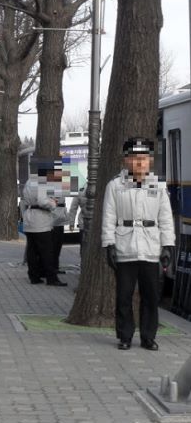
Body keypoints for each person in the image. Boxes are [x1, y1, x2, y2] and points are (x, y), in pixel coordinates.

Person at [101, 137, 175, 351]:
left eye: (144, 158)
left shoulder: (158, 186)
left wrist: (168, 246)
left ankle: (148, 336)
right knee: (124, 296)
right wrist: (109, 245)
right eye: (135, 158)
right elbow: (108, 216)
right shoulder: (115, 186)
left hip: (151, 249)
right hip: (125, 248)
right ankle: (125, 336)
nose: (139, 163)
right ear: (126, 160)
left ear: (150, 161)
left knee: (151, 296)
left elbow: (165, 218)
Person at [22, 175, 67, 287]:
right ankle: (51, 278)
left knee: (32, 250)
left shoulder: (29, 181)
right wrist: (53, 203)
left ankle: (34, 276)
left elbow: (24, 199)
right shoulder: (41, 182)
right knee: (47, 251)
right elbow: (43, 201)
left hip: (29, 218)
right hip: (40, 220)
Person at [51, 197, 69, 274]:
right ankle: (52, 268)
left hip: (61, 219)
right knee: (54, 246)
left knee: (58, 245)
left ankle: (55, 267)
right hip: (54, 220)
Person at [68, 184, 87, 255]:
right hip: (96, 224)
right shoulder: (101, 188)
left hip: (83, 223)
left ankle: (83, 262)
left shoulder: (81, 190)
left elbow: (73, 208)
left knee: (84, 245)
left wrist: (71, 223)